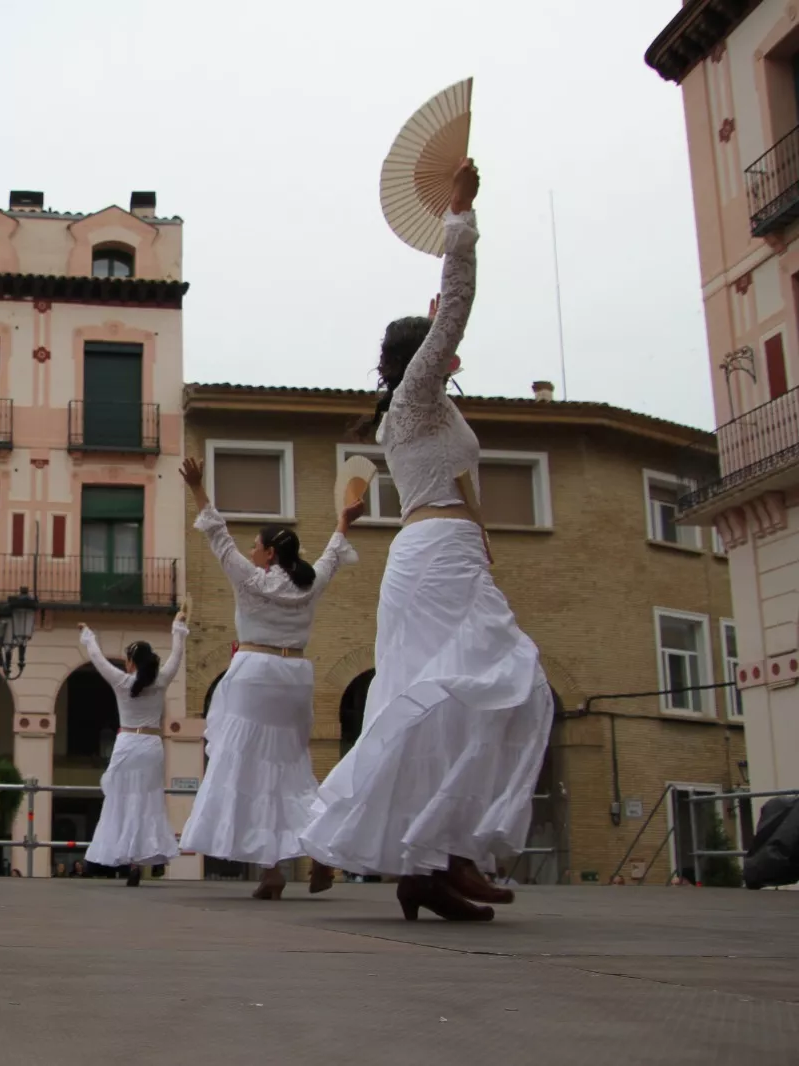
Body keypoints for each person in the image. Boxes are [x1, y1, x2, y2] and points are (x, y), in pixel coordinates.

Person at [300, 160, 554, 924]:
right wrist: (460, 216)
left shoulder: (428, 406)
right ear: (424, 357)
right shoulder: (413, 403)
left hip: (453, 558)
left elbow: (449, 327)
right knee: (501, 685)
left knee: (470, 703)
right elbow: (462, 309)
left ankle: (438, 862)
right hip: (434, 561)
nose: (456, 350)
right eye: (443, 342)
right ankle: (441, 857)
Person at [178, 457, 362, 900]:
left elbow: (216, 534)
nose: (252, 551)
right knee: (291, 769)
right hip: (296, 675)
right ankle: (298, 857)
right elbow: (333, 553)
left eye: (256, 546)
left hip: (256, 673)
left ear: (269, 553)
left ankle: (273, 867)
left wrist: (198, 487)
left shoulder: (251, 580)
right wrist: (343, 520)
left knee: (249, 769)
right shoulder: (310, 582)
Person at [76, 614, 188, 887]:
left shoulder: (122, 683)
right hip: (151, 745)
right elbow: (177, 653)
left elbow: (98, 659)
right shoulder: (161, 681)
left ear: (130, 662)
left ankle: (122, 856)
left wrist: (88, 634)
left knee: (120, 801)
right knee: (148, 802)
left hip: (127, 744)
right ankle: (142, 859)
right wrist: (178, 627)